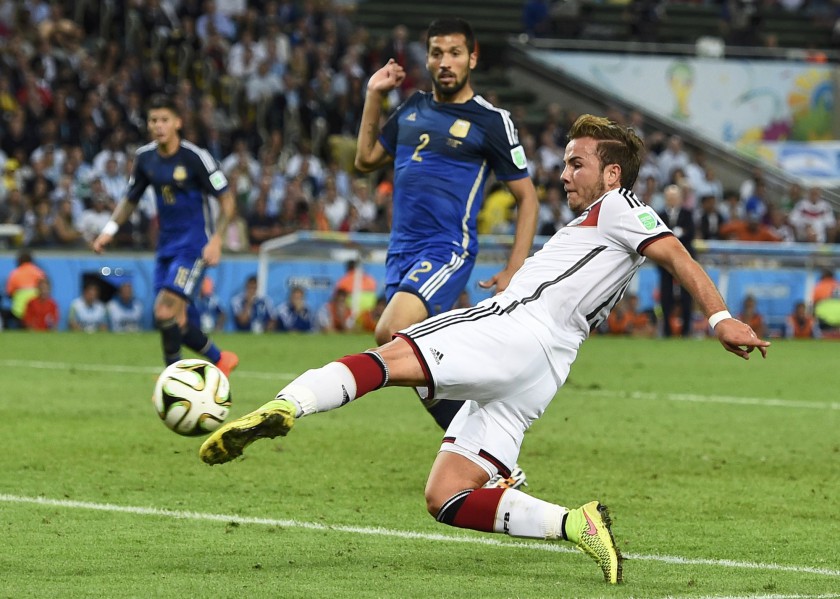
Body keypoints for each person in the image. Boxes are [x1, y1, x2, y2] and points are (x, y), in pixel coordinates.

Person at [199, 114, 770, 586]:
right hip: (545, 369)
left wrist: (720, 318)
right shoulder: (598, 223)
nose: (565, 173)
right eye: (565, 161)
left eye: (577, 163)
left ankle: (285, 406)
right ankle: (575, 524)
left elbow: (678, 256)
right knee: (446, 496)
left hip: (517, 331)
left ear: (612, 172)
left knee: (389, 355)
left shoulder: (622, 206)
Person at [353, 18, 539, 479]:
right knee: (425, 357)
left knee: (391, 333)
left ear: (472, 58)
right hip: (402, 252)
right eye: (437, 52)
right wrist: (374, 95)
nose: (445, 61)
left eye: (455, 52)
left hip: (447, 247)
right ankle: (487, 452)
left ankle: (478, 448)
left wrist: (515, 268)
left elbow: (527, 198)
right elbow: (365, 161)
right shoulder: (412, 109)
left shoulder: (491, 121)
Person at [92, 94, 239, 376]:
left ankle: (173, 380)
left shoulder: (196, 157)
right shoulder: (145, 158)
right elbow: (130, 198)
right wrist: (108, 230)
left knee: (163, 312)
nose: (158, 125)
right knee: (177, 321)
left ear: (178, 123)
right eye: (153, 120)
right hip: (166, 247)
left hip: (193, 245)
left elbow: (227, 200)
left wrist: (217, 239)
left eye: (164, 120)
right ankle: (221, 359)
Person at [656, 184, 695, 337]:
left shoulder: (687, 214)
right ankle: (666, 330)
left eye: (674, 197)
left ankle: (686, 330)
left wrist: (680, 234)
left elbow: (691, 233)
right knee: (666, 296)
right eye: (669, 198)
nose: (672, 200)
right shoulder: (659, 215)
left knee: (687, 295)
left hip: (684, 260)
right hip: (665, 261)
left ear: (679, 199)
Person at [4, 250, 46, 329]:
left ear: (19, 261)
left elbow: (9, 293)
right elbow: (45, 291)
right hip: (36, 308)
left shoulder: (15, 273)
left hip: (19, 309)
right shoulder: (39, 272)